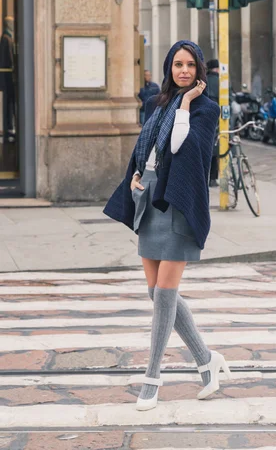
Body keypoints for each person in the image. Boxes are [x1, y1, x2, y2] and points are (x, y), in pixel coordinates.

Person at [104, 40, 231, 411]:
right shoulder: (156, 104)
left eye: (190, 65)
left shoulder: (206, 110)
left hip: (178, 201)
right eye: (178, 64)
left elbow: (181, 148)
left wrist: (188, 105)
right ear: (169, 68)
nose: (184, 71)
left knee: (164, 296)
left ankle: (152, 378)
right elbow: (146, 149)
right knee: (158, 294)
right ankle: (207, 361)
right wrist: (135, 175)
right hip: (149, 199)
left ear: (200, 70)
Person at [0, 17, 16, 142]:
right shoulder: (6, 39)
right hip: (7, 76)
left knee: (9, 103)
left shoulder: (7, 38)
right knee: (8, 103)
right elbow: (9, 60)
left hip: (7, 75)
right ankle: (8, 128)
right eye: (12, 23)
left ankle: (9, 127)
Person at [206, 59, 220, 187]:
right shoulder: (223, 81)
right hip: (218, 120)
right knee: (216, 149)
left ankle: (205, 177)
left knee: (205, 149)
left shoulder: (203, 81)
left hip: (204, 119)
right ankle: (213, 178)